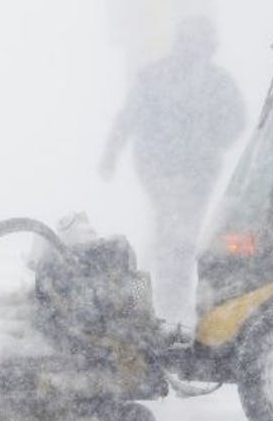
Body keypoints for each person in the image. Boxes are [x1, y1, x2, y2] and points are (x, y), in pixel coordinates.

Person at [100, 17, 245, 324]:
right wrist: (111, 154)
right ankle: (164, 305)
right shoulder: (164, 78)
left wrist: (212, 141)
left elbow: (236, 120)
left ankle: (159, 302)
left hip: (190, 171)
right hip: (166, 169)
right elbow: (129, 117)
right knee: (175, 237)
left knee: (173, 235)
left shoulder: (210, 81)